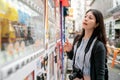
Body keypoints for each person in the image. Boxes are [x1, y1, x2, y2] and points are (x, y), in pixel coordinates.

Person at [64, 9, 108, 80]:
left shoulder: (98, 46)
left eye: (90, 18)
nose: (86, 19)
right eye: (85, 16)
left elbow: (100, 75)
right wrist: (69, 51)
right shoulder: (77, 39)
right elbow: (74, 58)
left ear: (96, 24)